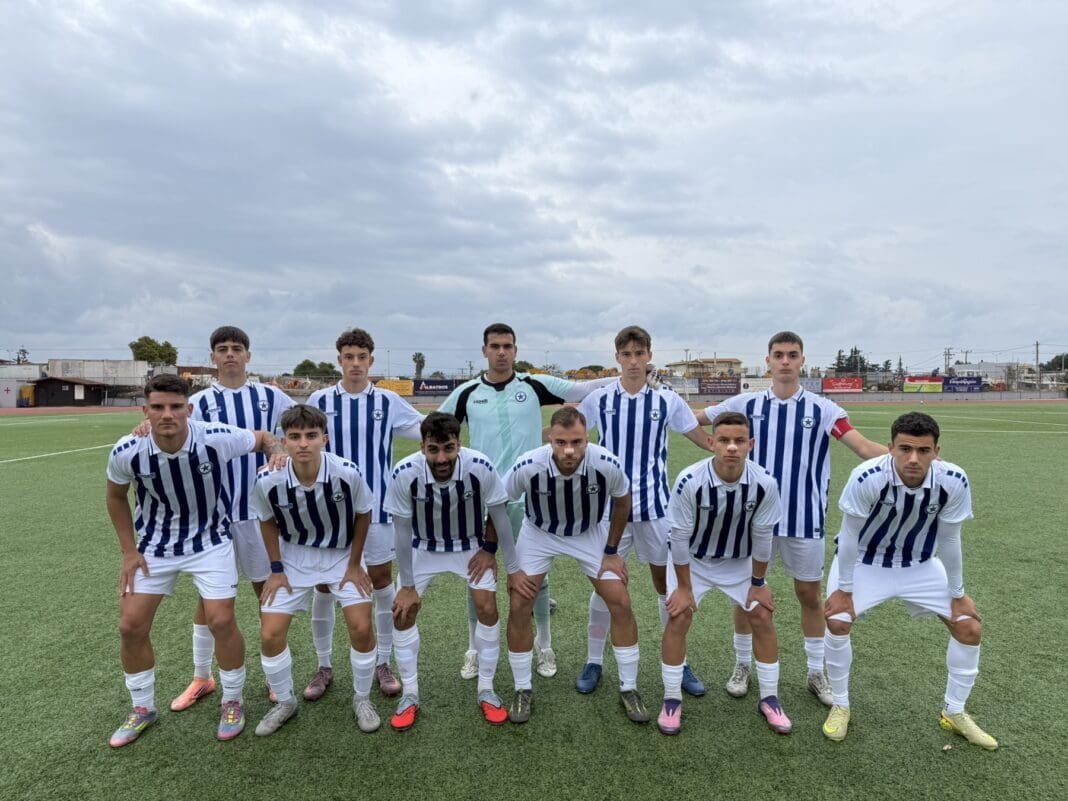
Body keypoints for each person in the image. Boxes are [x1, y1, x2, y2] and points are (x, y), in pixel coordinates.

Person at [696, 331, 886, 703]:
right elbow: (696, 420)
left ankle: (816, 672)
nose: (785, 361)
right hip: (751, 519)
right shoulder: (745, 404)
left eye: (792, 355)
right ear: (768, 360)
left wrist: (918, 461)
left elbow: (863, 447)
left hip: (804, 518)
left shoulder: (823, 410)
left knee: (809, 594)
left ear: (802, 360)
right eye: (779, 354)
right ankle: (742, 665)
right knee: (746, 595)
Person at [105, 374, 281, 746]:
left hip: (210, 542)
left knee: (221, 620)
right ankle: (142, 708)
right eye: (158, 407)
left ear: (189, 409)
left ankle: (232, 700)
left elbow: (264, 438)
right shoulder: (128, 450)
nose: (167, 414)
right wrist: (128, 552)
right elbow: (116, 497)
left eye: (175, 407)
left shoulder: (215, 438)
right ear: (145, 411)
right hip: (154, 546)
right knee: (130, 626)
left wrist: (276, 453)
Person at [441, 322, 616, 681]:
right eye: (495, 346)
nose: (501, 352)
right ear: (484, 351)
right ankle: (473, 648)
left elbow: (581, 389)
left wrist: (627, 376)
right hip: (483, 498)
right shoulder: (467, 393)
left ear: (515, 351)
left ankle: (544, 644)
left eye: (507, 346)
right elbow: (434, 426)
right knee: (478, 573)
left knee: (535, 576)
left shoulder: (533, 385)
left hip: (527, 495)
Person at [821, 412, 997, 749]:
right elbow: (849, 535)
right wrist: (844, 589)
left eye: (923, 450)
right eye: (905, 449)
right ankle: (841, 704)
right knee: (838, 620)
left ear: (936, 452)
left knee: (969, 627)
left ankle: (955, 711)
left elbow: (949, 538)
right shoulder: (867, 476)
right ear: (890, 448)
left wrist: (958, 593)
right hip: (865, 562)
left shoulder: (953, 479)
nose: (913, 458)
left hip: (920, 564)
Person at [575, 325, 713, 696]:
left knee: (666, 586)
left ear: (649, 355)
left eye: (640, 354)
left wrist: (733, 448)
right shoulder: (600, 399)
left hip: (655, 509)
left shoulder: (667, 400)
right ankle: (594, 660)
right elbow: (570, 435)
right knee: (606, 587)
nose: (634, 361)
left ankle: (679, 662)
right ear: (617, 357)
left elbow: (701, 439)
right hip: (609, 512)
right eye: (627, 354)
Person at [170, 325, 296, 713]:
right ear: (212, 357)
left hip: (260, 515)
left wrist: (284, 451)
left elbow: (301, 428)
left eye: (236, 348)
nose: (229, 354)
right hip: (214, 518)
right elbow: (171, 434)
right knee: (208, 600)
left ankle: (273, 677)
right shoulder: (199, 402)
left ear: (248, 356)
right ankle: (201, 676)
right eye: (222, 349)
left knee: (267, 593)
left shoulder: (271, 396)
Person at [503, 407, 648, 725]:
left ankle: (629, 687)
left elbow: (623, 499)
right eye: (561, 442)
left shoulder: (605, 462)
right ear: (549, 439)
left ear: (587, 438)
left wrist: (612, 551)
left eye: (577, 442)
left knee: (620, 601)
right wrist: (509, 563)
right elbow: (498, 503)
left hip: (589, 532)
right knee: (519, 604)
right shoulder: (529, 465)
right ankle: (522, 688)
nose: (569, 450)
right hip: (539, 533)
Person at [305, 328, 424, 701]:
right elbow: (296, 438)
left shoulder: (388, 401)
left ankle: (382, 662)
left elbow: (426, 430)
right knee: (324, 584)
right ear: (339, 360)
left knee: (381, 580)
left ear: (371, 361)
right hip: (328, 508)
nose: (355, 364)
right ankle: (324, 665)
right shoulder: (320, 399)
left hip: (377, 507)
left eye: (361, 357)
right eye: (349, 357)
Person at [249, 405, 381, 735]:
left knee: (361, 627)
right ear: (284, 442)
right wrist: (276, 569)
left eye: (311, 436)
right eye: (295, 437)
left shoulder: (347, 473)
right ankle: (285, 702)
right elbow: (266, 521)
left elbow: (363, 513)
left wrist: (355, 564)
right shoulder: (268, 479)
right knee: (270, 633)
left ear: (325, 439)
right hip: (294, 557)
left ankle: (362, 698)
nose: (303, 443)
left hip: (341, 555)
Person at [384, 412, 520, 730]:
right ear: (422, 447)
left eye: (449, 448)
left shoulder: (480, 466)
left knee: (487, 607)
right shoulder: (404, 472)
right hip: (422, 546)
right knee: (402, 612)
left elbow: (500, 515)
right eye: (433, 449)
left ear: (459, 444)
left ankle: (486, 688)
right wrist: (407, 585)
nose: (442, 458)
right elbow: (401, 531)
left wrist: (506, 563)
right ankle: (410, 694)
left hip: (469, 545)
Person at [659, 412, 791, 735]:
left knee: (762, 614)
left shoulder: (765, 483)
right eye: (724, 440)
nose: (732, 447)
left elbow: (763, 537)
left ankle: (770, 698)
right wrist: (684, 588)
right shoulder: (690, 481)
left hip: (739, 561)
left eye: (739, 441)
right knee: (678, 617)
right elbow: (678, 538)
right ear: (711, 443)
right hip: (694, 561)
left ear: (750, 445)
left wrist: (758, 584)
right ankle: (672, 699)